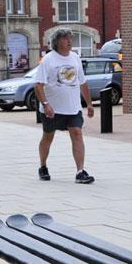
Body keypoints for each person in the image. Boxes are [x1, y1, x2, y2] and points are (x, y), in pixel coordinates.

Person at [33, 29, 95, 184]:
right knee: (48, 137)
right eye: (65, 38)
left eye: (70, 38)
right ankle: (43, 166)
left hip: (73, 107)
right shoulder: (48, 60)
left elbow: (82, 82)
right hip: (53, 109)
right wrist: (46, 104)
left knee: (77, 133)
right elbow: (38, 85)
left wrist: (89, 104)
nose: (69, 41)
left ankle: (80, 171)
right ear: (57, 42)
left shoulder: (75, 58)